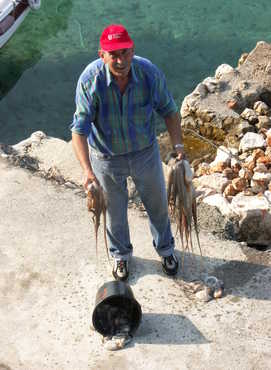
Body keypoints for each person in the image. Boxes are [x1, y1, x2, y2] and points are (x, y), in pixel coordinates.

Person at [70, 24, 185, 281]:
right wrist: (87, 171)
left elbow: (169, 110)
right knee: (114, 212)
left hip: (145, 153)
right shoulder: (90, 80)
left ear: (132, 50)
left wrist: (178, 146)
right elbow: (79, 129)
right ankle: (120, 255)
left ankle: (165, 249)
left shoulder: (148, 73)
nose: (121, 61)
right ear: (102, 54)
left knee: (157, 205)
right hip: (106, 158)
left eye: (125, 53)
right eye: (114, 55)